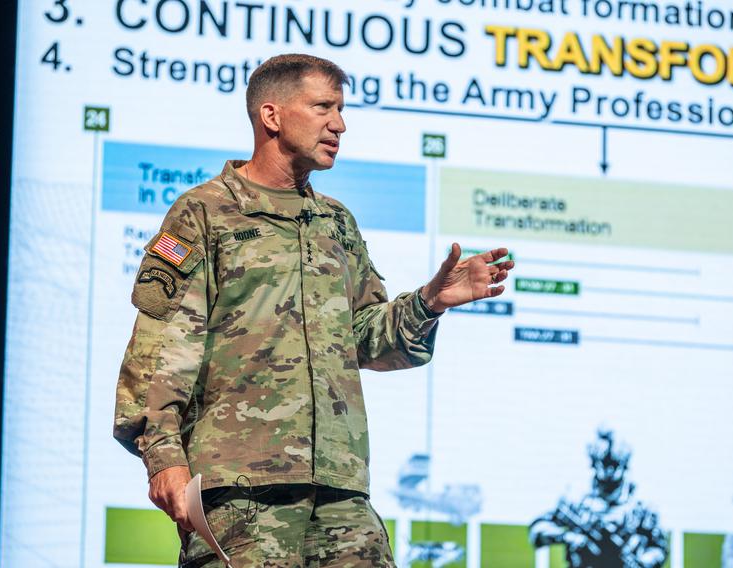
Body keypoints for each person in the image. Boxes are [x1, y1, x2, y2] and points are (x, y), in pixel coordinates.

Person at [113, 53, 514, 567]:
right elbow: (162, 347)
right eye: (323, 107)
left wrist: (428, 303)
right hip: (241, 490)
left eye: (341, 110)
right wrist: (163, 457)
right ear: (272, 116)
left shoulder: (336, 222)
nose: (339, 124)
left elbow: (366, 340)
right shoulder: (204, 212)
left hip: (340, 489)